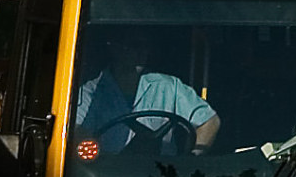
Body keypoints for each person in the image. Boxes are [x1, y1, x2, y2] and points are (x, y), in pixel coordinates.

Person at [73, 23, 221, 158]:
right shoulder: (90, 93)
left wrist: (192, 159)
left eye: (145, 46)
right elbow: (78, 131)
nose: (142, 52)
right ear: (114, 47)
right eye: (134, 45)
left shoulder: (169, 86)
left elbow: (209, 121)